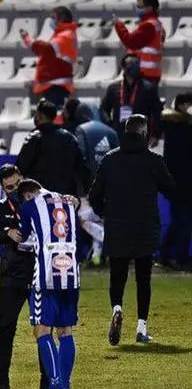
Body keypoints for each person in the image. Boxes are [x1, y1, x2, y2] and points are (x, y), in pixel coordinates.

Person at [89, 114, 175, 345]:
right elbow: (171, 189)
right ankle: (141, 327)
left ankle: (117, 308)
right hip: (145, 226)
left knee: (117, 275)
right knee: (143, 278)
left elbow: (94, 194)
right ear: (145, 132)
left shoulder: (109, 159)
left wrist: (104, 213)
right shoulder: (153, 160)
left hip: (117, 225)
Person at [18, 179, 79, 389]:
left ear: (27, 194)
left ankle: (54, 386)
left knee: (42, 330)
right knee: (65, 330)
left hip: (47, 275)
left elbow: (24, 238)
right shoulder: (69, 202)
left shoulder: (29, 206)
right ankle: (65, 386)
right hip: (72, 273)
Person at [0, 165, 40, 389]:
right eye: (9, 187)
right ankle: (1, 383)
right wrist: (7, 232)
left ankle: (48, 384)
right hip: (12, 274)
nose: (15, 190)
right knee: (6, 327)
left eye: (17, 184)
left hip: (38, 272)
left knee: (43, 328)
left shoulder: (37, 202)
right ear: (2, 187)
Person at [69, 100, 118, 266]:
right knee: (100, 220)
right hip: (110, 186)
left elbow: (80, 159)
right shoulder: (111, 132)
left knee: (84, 220)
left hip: (88, 186)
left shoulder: (82, 130)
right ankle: (97, 257)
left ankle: (112, 244)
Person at [16, 99, 92, 197]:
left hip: (41, 196)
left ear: (39, 115)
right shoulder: (69, 137)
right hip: (65, 197)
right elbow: (82, 168)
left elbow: (21, 166)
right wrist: (88, 191)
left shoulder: (35, 137)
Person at [20, 6, 78, 115]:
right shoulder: (62, 34)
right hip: (52, 85)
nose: (51, 21)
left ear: (61, 19)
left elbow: (45, 48)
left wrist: (28, 39)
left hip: (57, 87)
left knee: (54, 118)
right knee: (48, 117)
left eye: (53, 17)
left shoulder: (66, 35)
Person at [158, 93, 192, 271]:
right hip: (183, 181)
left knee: (179, 221)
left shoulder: (173, 126)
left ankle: (166, 255)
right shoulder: (180, 127)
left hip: (177, 181)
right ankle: (181, 258)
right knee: (183, 222)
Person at [100, 54, 162, 141]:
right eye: (131, 63)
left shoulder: (148, 88)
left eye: (137, 63)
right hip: (119, 135)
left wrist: (156, 135)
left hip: (140, 135)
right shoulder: (113, 88)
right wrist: (110, 126)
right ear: (123, 67)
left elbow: (157, 113)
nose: (134, 66)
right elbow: (104, 109)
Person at [113, 0, 164, 85]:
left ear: (150, 8)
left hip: (145, 74)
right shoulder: (156, 24)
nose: (137, 9)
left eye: (140, 6)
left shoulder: (148, 25)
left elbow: (129, 42)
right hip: (150, 73)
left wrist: (118, 24)